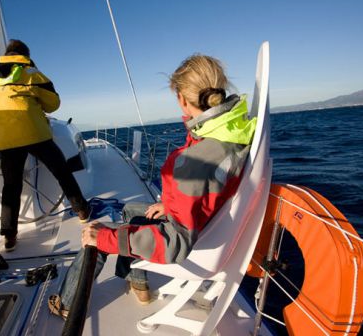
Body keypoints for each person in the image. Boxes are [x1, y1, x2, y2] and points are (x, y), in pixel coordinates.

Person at [48, 54, 257, 319]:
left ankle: (66, 304)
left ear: (182, 98)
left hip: (188, 244)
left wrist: (103, 237)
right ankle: (139, 284)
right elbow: (206, 191)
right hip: (208, 229)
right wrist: (169, 205)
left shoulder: (192, 161)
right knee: (131, 212)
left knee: (96, 233)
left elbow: (175, 243)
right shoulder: (234, 133)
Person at [0, 39, 90, 252]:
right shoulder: (31, 72)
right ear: (25, 54)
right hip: (35, 135)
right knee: (62, 171)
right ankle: (82, 211)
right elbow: (53, 104)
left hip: (6, 139)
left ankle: (9, 235)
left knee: (11, 187)